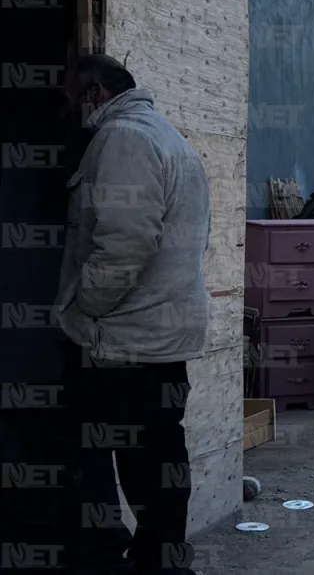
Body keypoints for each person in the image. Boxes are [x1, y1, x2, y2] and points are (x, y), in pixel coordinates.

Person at [57, 54, 211, 575]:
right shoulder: (163, 134)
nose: (71, 110)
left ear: (95, 94)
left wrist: (87, 310)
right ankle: (161, 561)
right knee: (157, 457)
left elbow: (124, 243)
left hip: (124, 341)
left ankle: (117, 560)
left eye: (73, 98)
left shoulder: (123, 139)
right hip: (157, 339)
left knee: (112, 457)